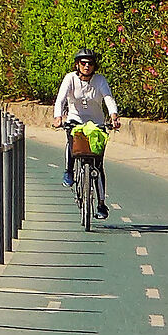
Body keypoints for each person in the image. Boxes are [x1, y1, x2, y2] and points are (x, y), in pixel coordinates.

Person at [51, 47, 121, 216]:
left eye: (90, 63)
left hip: (96, 123)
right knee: (72, 143)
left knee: (98, 164)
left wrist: (114, 116)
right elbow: (60, 99)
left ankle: (101, 204)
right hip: (75, 120)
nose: (87, 66)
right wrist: (58, 117)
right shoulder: (70, 78)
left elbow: (108, 98)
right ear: (77, 64)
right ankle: (69, 171)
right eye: (83, 63)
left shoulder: (100, 80)